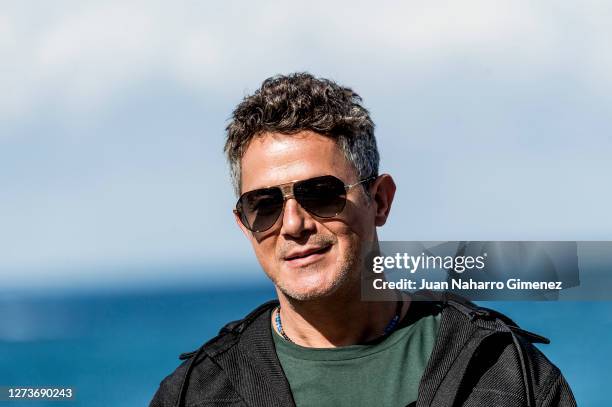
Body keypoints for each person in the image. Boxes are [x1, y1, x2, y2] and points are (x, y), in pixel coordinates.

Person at [150, 73, 576, 407]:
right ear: (245, 224)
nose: (294, 224)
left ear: (380, 201)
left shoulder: (500, 371)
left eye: (321, 194)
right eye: (265, 205)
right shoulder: (198, 393)